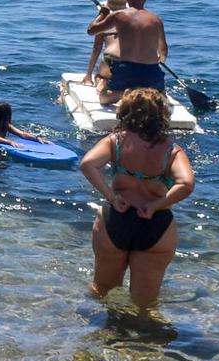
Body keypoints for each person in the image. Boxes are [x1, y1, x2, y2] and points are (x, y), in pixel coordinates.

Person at [80, 88, 194, 308]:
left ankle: (103, 336)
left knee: (102, 291)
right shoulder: (172, 150)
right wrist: (156, 205)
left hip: (117, 219)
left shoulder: (116, 142)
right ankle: (143, 338)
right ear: (163, 116)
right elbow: (186, 184)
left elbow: (88, 164)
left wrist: (112, 197)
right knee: (146, 302)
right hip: (155, 224)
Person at [86, 0, 167, 102]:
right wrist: (160, 60)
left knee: (103, 97)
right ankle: (154, 93)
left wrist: (103, 13)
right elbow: (163, 50)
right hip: (152, 70)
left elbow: (91, 31)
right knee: (161, 97)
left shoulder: (119, 15)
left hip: (127, 69)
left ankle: (128, 93)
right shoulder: (156, 20)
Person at [82, 0, 126, 93]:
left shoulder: (103, 23)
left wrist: (88, 74)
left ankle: (102, 82)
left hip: (109, 60)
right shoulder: (134, 21)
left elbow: (96, 48)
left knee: (100, 76)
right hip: (130, 61)